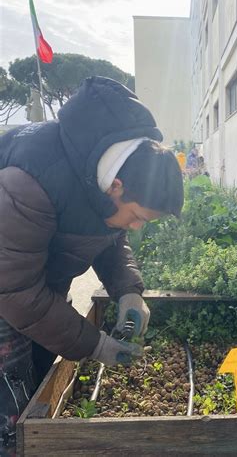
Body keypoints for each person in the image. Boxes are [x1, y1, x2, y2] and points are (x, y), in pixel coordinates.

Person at [0, 76, 184, 454]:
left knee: (39, 370)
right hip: (8, 290)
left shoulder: (102, 174)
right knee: (13, 403)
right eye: (138, 216)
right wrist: (93, 344)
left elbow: (110, 235)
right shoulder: (29, 181)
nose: (136, 227)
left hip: (26, 286)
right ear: (116, 186)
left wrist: (129, 291)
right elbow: (15, 292)